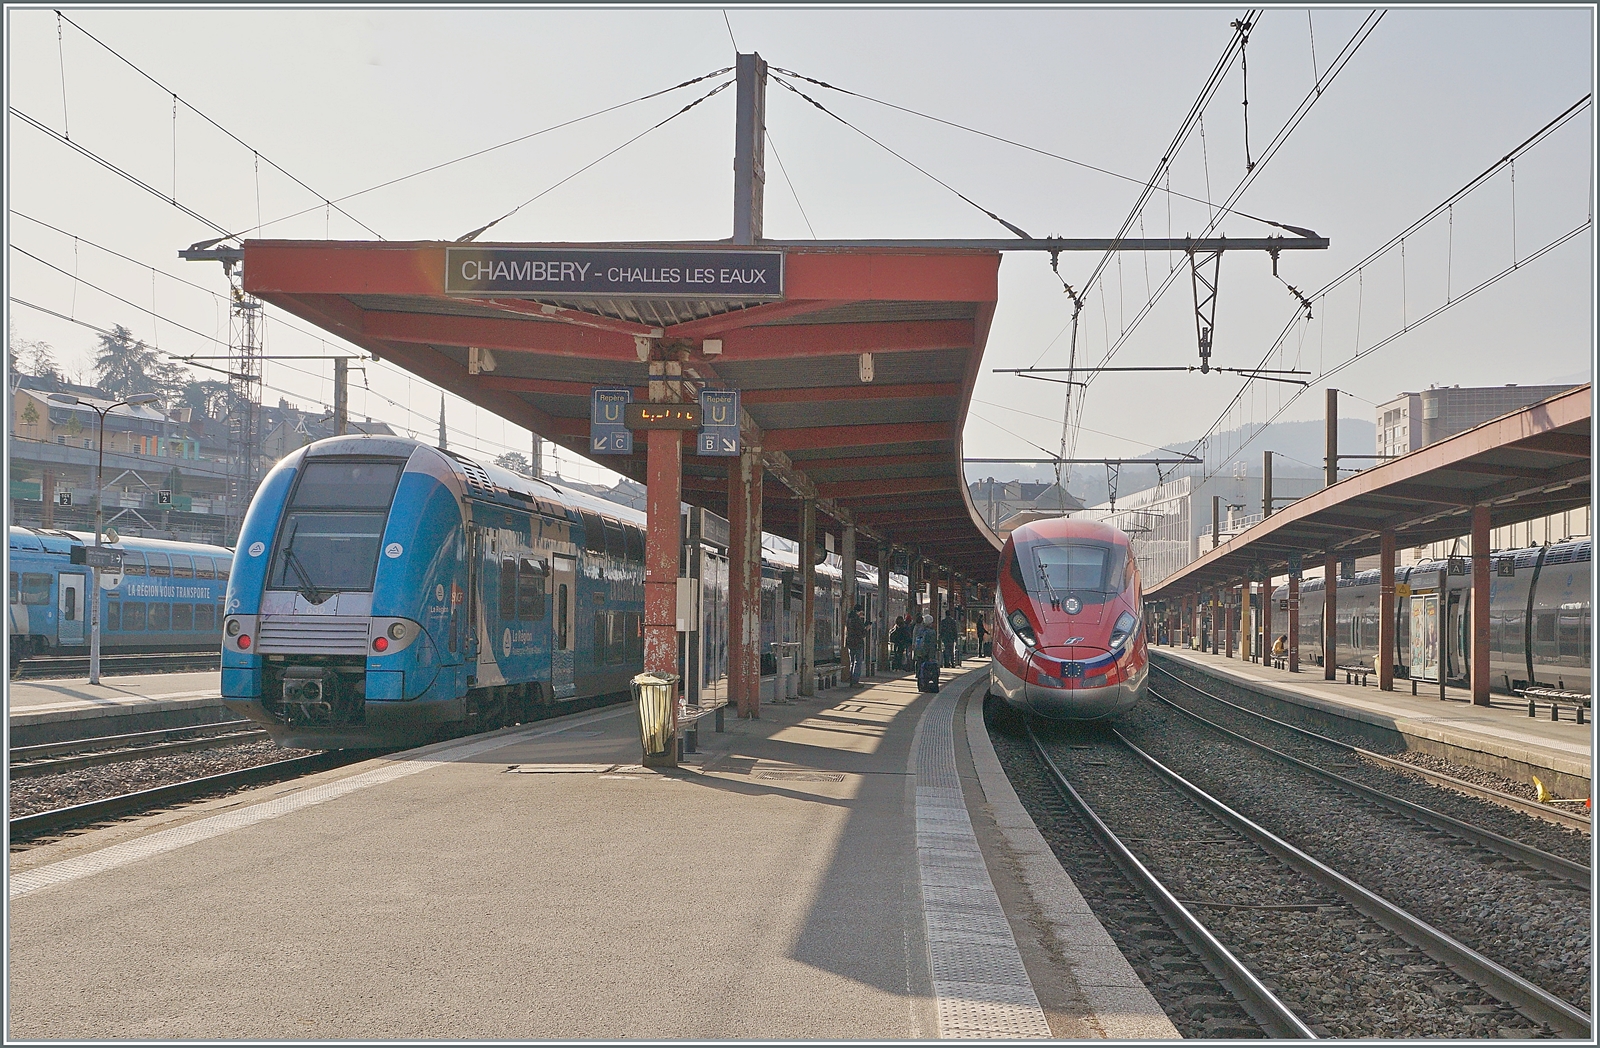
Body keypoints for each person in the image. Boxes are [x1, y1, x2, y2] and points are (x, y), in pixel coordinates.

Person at [846, 606, 869, 686]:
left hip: (850, 643)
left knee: (852, 662)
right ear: (858, 611)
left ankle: (852, 680)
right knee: (857, 663)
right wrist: (866, 629)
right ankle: (855, 681)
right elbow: (861, 634)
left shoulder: (849, 619)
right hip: (857, 643)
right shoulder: (857, 620)